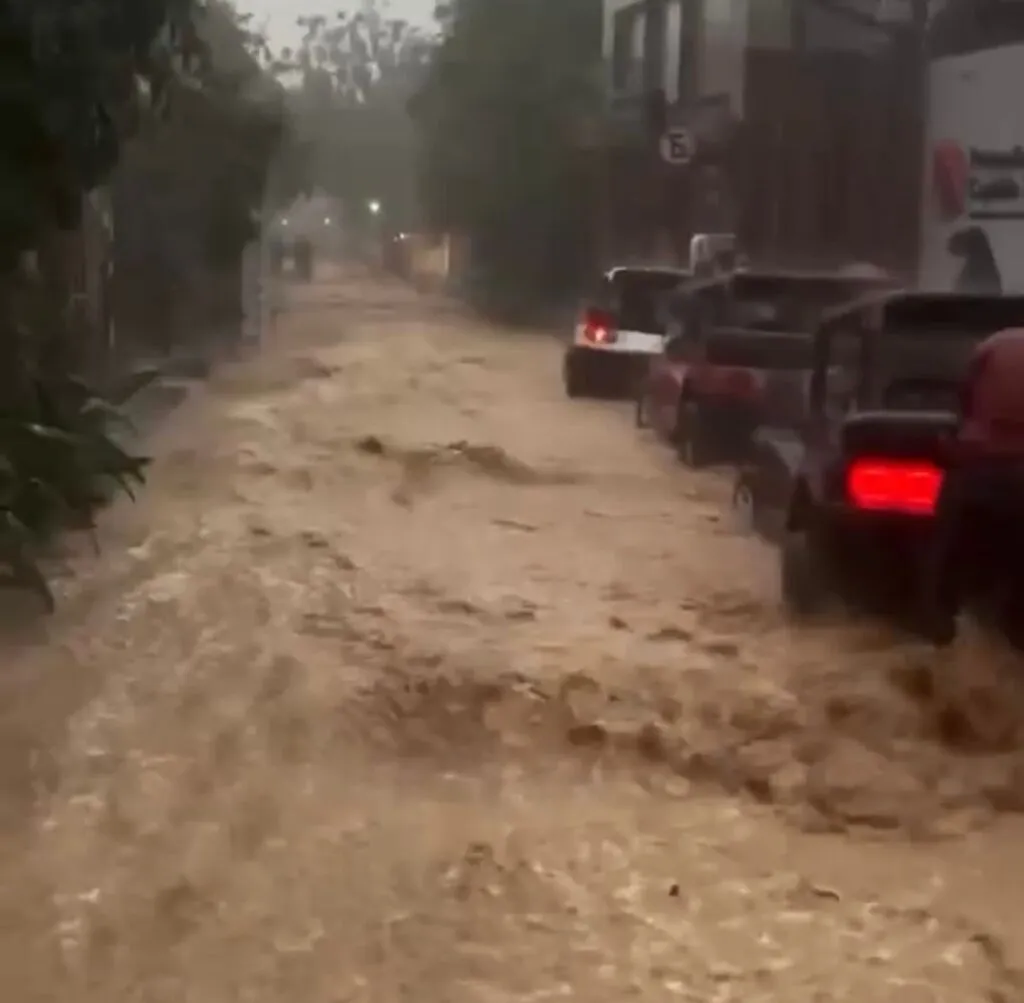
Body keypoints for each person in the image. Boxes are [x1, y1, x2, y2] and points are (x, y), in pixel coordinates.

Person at [918, 326, 1024, 644]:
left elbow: (964, 397)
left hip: (981, 468)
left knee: (949, 552)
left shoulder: (993, 345)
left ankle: (939, 625)